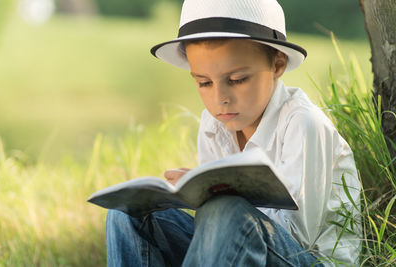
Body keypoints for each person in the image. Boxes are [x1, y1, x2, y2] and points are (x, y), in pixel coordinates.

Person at [106, 0, 361, 266]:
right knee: (127, 214)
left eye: (237, 80)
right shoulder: (213, 125)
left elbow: (300, 239)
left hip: (307, 258)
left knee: (226, 210)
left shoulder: (303, 123)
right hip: (241, 248)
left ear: (277, 65)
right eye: (204, 83)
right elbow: (214, 228)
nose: (220, 98)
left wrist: (220, 198)